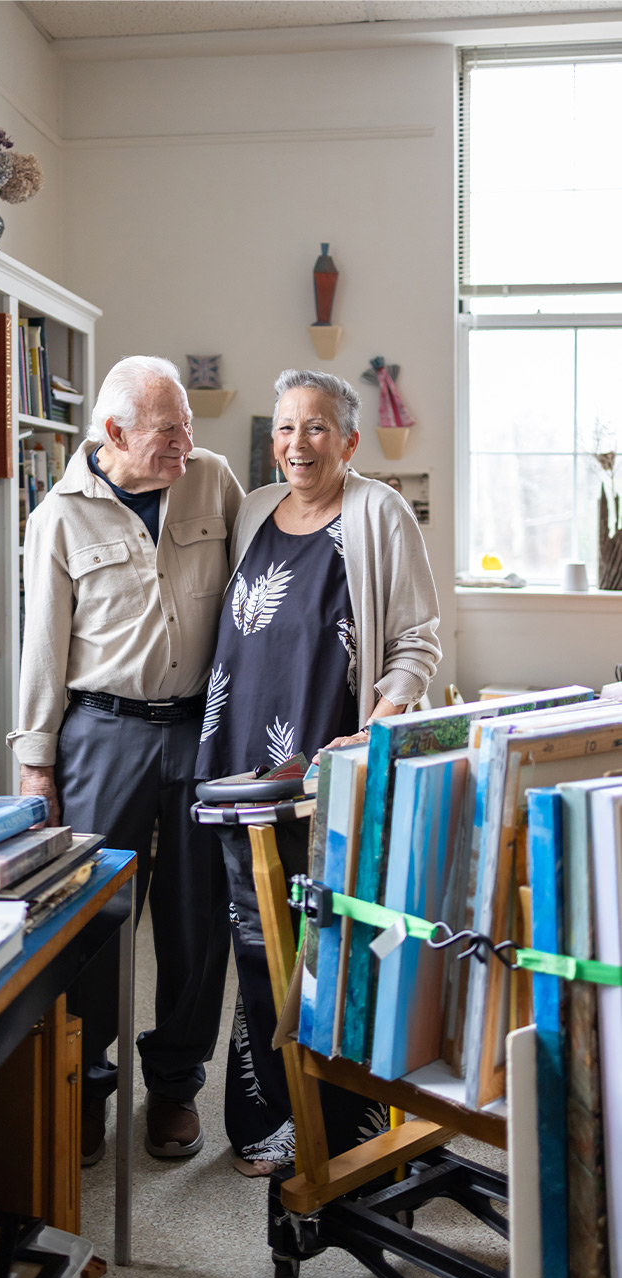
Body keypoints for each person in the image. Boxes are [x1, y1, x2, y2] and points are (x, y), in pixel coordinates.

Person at [195, 368, 441, 1174]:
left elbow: (417, 639)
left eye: (316, 429)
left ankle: (339, 1127)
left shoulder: (380, 513)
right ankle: (268, 1114)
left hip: (326, 769)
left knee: (328, 946)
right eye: (285, 429)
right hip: (238, 764)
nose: (297, 444)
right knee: (255, 940)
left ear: (349, 439)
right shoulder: (258, 510)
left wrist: (387, 715)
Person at [7, 355, 244, 1164]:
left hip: (202, 730)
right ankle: (89, 1087)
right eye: (168, 429)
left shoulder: (212, 481)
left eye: (188, 424)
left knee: (196, 915)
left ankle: (175, 1087)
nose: (186, 442)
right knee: (94, 921)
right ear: (113, 433)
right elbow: (41, 650)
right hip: (102, 732)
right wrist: (37, 767)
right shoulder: (58, 516)